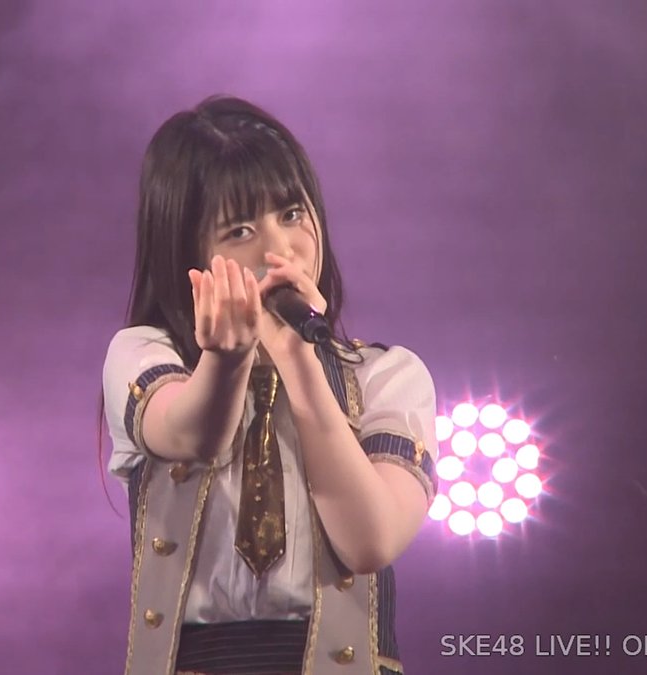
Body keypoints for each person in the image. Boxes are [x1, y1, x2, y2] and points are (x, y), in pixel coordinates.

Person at [101, 95, 438, 675]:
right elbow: (191, 434)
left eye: (291, 214)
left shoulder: (386, 375)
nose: (278, 250)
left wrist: (299, 360)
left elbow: (370, 542)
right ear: (186, 252)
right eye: (239, 230)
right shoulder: (144, 354)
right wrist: (228, 359)